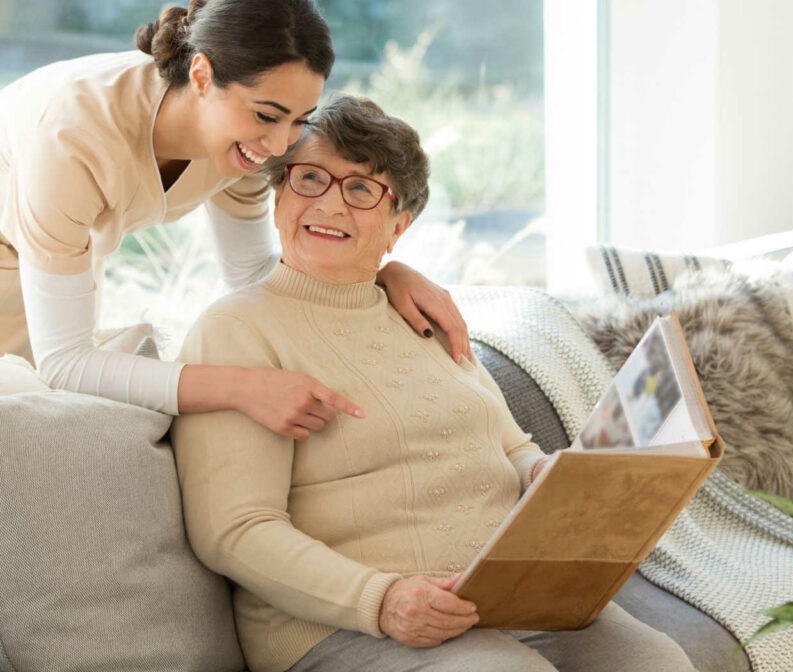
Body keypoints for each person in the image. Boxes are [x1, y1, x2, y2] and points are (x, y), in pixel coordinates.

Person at [170, 93, 696, 672]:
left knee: (659, 662)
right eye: (310, 178)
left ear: (399, 226)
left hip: (512, 598)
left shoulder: (422, 312)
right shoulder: (237, 330)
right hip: (343, 625)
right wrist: (383, 600)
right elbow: (235, 529)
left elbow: (512, 447)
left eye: (362, 189)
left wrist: (547, 477)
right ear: (278, 195)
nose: (330, 203)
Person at [0, 0, 471, 441]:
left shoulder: (240, 148)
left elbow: (250, 275)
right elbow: (66, 361)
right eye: (267, 115)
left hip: (44, 268)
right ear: (202, 75)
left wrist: (379, 274)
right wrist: (246, 388)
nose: (281, 144)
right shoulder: (73, 137)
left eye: (299, 120)